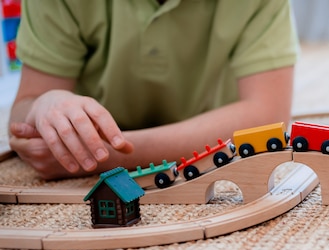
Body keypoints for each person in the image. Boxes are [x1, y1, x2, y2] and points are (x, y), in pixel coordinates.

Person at [8, 0, 299, 180]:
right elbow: (23, 118)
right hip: (209, 133)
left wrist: (103, 155)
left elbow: (267, 117)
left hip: (204, 133)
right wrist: (48, 103)